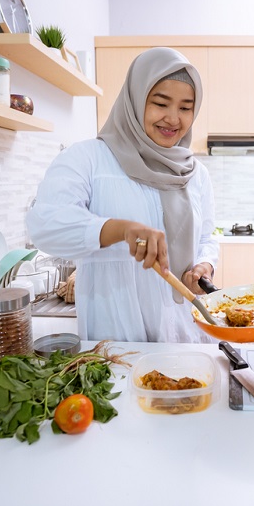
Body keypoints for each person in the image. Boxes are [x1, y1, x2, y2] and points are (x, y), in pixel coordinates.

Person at [26, 47, 218, 343]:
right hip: (116, 335)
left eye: (185, 107)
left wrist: (204, 265)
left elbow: (207, 238)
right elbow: (44, 227)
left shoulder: (195, 174)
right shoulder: (88, 158)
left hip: (184, 334)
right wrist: (119, 229)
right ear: (135, 99)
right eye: (160, 103)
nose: (172, 118)